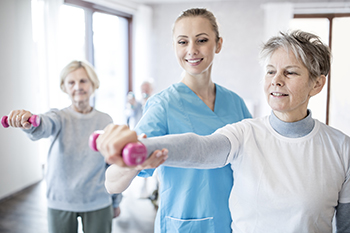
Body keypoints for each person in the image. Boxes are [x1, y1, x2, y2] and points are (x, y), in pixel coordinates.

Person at [96, 30, 350, 233]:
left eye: (290, 72)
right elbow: (200, 147)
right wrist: (142, 147)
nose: (276, 80)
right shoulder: (244, 133)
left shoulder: (341, 148)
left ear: (317, 84)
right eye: (271, 71)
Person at [101, 8, 252, 233]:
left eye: (202, 40)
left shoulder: (235, 103)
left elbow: (253, 161)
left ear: (218, 44)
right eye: (183, 42)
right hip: (184, 224)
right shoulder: (163, 105)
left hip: (232, 222)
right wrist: (136, 165)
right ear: (174, 46)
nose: (192, 50)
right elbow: (112, 183)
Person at [5, 60, 121, 233]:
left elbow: (113, 163)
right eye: (71, 82)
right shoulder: (58, 116)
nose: (78, 87)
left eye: (83, 81)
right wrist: (29, 122)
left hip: (98, 200)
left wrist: (116, 200)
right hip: (61, 200)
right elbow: (43, 125)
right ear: (64, 87)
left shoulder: (105, 120)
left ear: (93, 84)